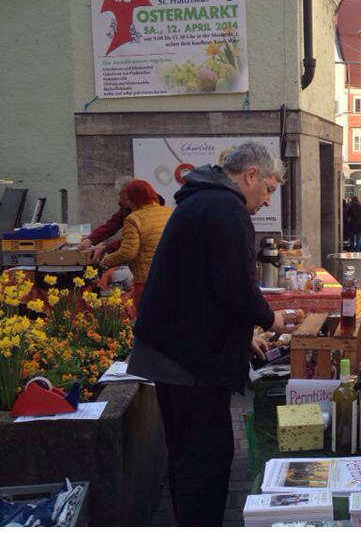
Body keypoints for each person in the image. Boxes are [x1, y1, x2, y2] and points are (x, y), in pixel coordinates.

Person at [127, 141, 290, 526]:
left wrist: (240, 335)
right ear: (250, 175)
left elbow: (202, 287)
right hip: (187, 362)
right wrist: (271, 321)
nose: (267, 201)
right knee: (206, 462)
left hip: (176, 351)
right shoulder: (225, 208)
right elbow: (234, 287)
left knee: (188, 457)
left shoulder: (205, 201)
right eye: (268, 189)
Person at [98, 180, 172, 313]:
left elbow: (127, 253)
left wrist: (104, 262)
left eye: (123, 198)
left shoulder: (133, 219)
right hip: (172, 277)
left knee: (148, 324)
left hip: (147, 281)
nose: (121, 202)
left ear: (131, 199)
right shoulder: (169, 213)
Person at [78, 176, 133, 263]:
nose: (119, 199)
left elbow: (131, 242)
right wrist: (90, 240)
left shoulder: (140, 214)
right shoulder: (127, 208)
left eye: (121, 196)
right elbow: (111, 226)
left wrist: (106, 250)